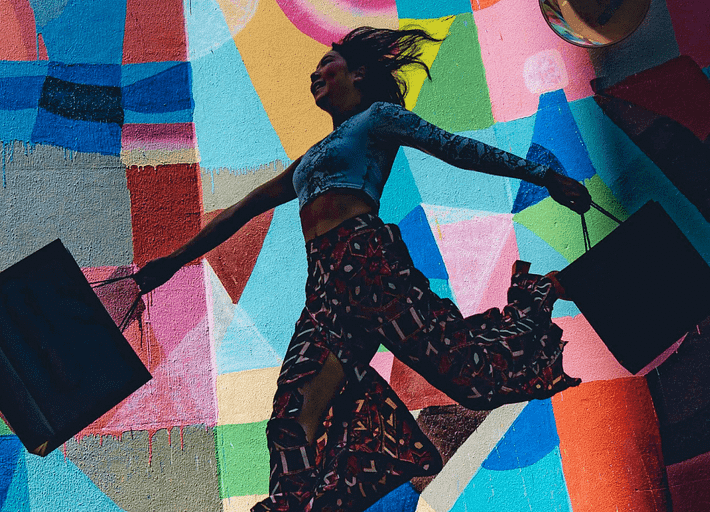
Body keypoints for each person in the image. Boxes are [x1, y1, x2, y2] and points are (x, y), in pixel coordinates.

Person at [133, 27, 590, 512]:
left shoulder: (377, 119)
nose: (315, 73)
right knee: (291, 420)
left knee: (471, 380)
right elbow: (241, 210)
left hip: (369, 264)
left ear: (359, 73)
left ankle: (537, 296)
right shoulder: (308, 162)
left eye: (325, 63)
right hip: (324, 287)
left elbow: (455, 148)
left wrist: (543, 175)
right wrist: (173, 261)